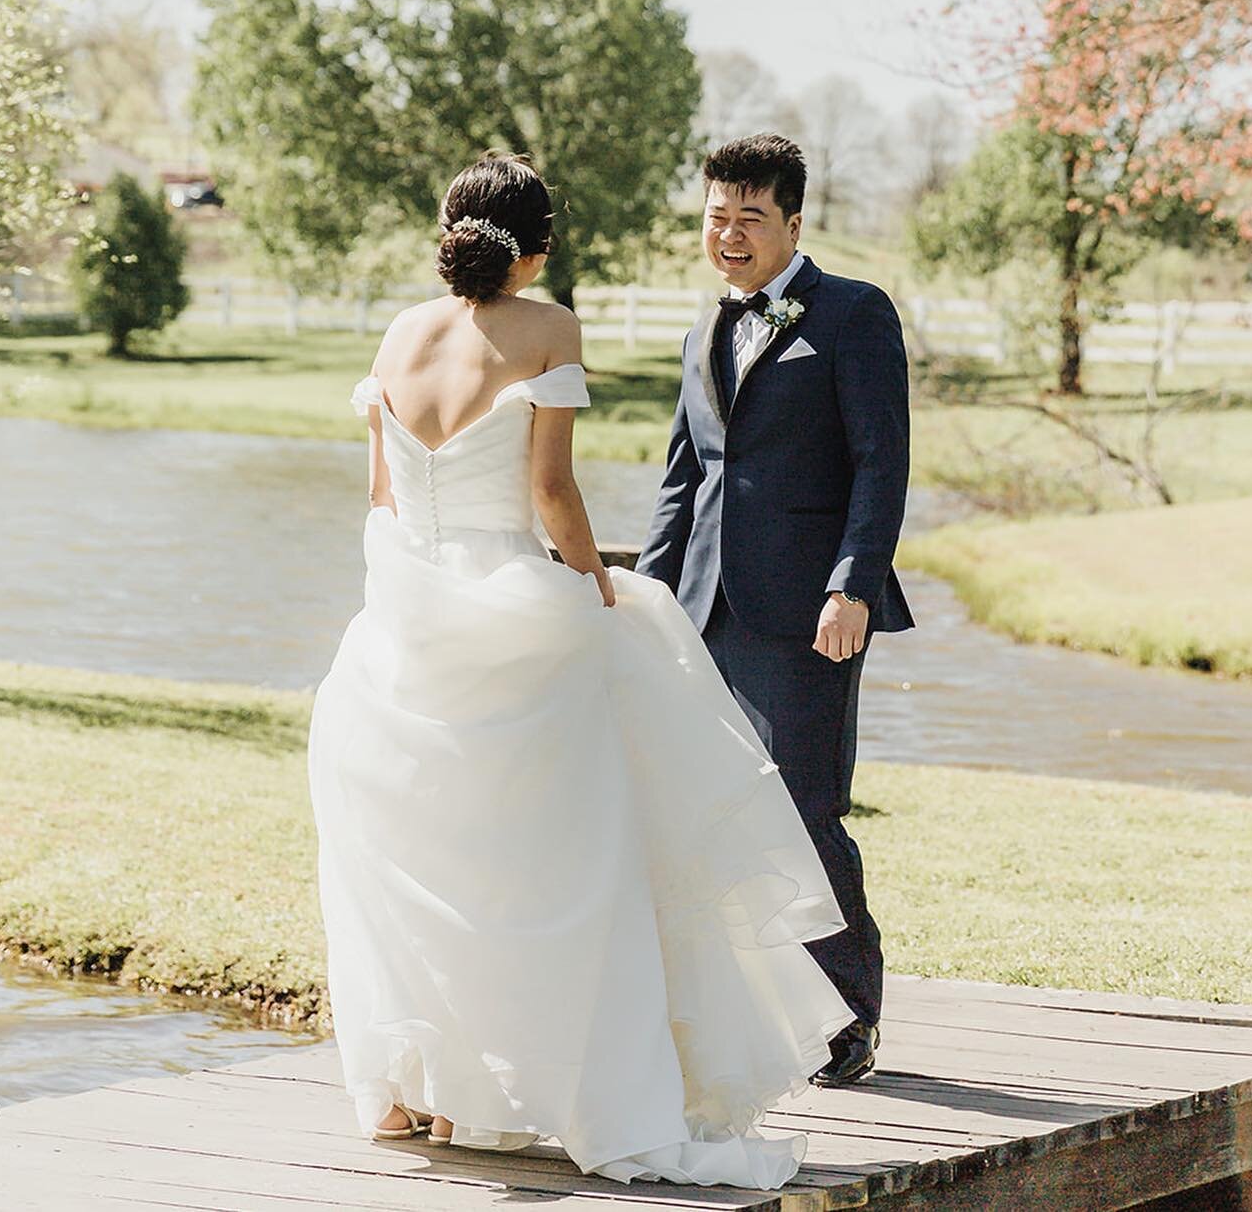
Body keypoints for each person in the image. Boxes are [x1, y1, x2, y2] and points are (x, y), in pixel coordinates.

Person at [307, 152, 855, 1190]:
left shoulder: (398, 333)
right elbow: (552, 492)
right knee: (570, 856)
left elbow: (380, 493)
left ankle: (417, 1087)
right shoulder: (549, 323)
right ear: (541, 240)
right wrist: (595, 582)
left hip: (402, 620)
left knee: (426, 861)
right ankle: (593, 1084)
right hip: (516, 609)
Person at [637, 134, 913, 1086]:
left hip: (809, 613)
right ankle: (754, 1011)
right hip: (702, 611)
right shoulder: (704, 329)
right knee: (711, 808)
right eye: (718, 215)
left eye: (751, 216)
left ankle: (849, 1017)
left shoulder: (852, 314)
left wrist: (854, 585)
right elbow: (685, 476)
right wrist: (648, 599)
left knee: (804, 808)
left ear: (795, 222)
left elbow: (882, 461)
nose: (731, 232)